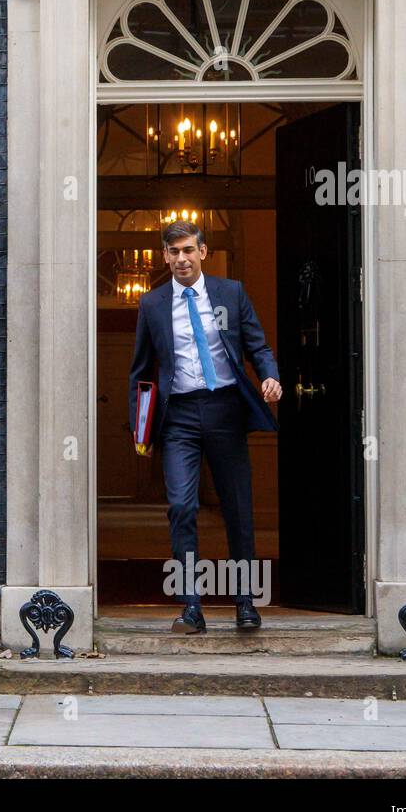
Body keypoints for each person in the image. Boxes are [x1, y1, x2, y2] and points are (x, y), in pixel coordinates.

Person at [128, 221, 283, 634]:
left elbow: (258, 345)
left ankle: (246, 603)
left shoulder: (230, 293)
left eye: (188, 250)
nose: (181, 258)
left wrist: (270, 375)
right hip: (178, 415)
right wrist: (139, 428)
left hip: (225, 410)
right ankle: (191, 606)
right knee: (181, 506)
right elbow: (141, 371)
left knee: (238, 509)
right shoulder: (152, 304)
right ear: (164, 256)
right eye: (173, 251)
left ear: (203, 252)